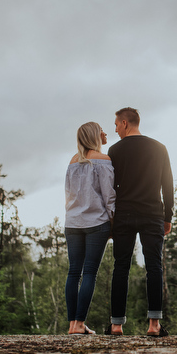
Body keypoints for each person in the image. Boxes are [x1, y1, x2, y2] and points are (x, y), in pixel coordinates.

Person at [106, 107, 173, 337]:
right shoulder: (159, 148)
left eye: (116, 125)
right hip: (152, 213)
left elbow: (110, 188)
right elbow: (167, 185)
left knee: (121, 267)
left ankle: (116, 325)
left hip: (123, 214)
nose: (115, 129)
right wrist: (168, 217)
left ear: (125, 123)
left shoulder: (114, 150)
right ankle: (154, 326)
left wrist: (110, 219)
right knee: (154, 267)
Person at [64, 122, 115, 335]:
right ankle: (79, 323)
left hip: (72, 223)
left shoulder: (72, 161)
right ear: (95, 135)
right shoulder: (104, 161)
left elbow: (67, 193)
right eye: (101, 129)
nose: (105, 133)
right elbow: (109, 196)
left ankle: (72, 325)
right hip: (96, 224)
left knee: (74, 272)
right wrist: (114, 222)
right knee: (90, 273)